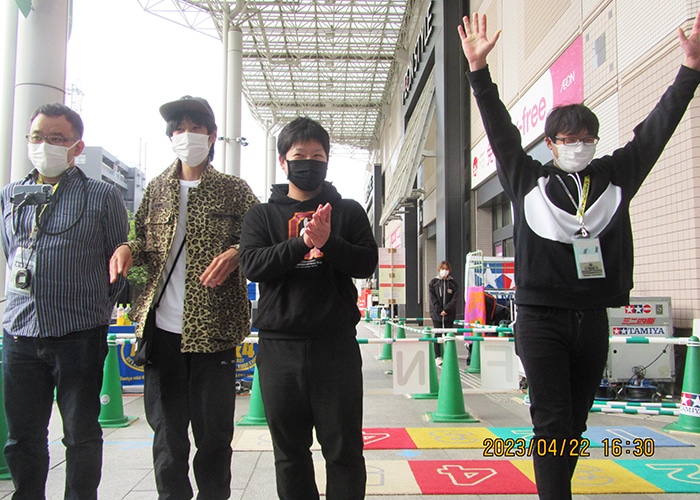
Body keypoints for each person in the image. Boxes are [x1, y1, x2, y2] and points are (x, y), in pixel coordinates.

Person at [458, 11, 700, 500]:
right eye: (568, 141)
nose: (578, 147)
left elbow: (656, 130)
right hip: (540, 319)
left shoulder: (615, 177)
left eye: (586, 140)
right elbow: (501, 130)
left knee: (574, 423)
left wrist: (690, 70)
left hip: (592, 319)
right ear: (550, 144)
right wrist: (478, 72)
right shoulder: (527, 179)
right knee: (551, 422)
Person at [109, 95, 258, 499]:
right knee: (167, 438)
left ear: (212, 136)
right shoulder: (157, 189)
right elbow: (140, 241)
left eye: (196, 128)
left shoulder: (233, 190)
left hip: (215, 332)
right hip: (162, 334)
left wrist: (236, 252)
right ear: (170, 136)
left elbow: (261, 240)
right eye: (179, 129)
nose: (187, 135)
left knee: (214, 439)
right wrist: (127, 249)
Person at [238, 117, 378, 500]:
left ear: (328, 161)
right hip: (279, 350)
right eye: (300, 155)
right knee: (290, 455)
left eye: (318, 156)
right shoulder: (261, 215)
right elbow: (253, 265)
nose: (309, 163)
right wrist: (303, 242)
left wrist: (328, 241)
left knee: (345, 451)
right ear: (283, 161)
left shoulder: (349, 211)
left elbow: (366, 262)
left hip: (336, 348)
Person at [0, 103, 128, 499]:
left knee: (81, 434)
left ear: (76, 147)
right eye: (37, 137)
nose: (44, 146)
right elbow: (11, 252)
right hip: (19, 333)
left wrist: (93, 311)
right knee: (22, 437)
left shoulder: (102, 195)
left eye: (56, 139)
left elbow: (117, 265)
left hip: (79, 336)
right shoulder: (11, 196)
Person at [428, 260, 459, 365]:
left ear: (449, 270)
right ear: (439, 270)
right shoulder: (433, 283)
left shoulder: (453, 284)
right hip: (436, 314)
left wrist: (446, 309)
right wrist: (439, 310)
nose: (444, 271)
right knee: (437, 334)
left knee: (449, 335)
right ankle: (437, 356)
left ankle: (448, 355)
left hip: (449, 315)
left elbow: (454, 300)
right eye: (443, 269)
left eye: (446, 269)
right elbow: (432, 298)